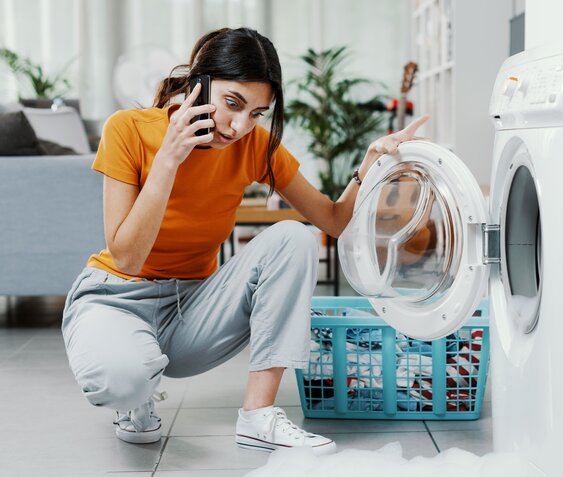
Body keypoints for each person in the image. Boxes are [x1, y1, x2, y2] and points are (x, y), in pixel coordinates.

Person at [61, 26, 428, 455]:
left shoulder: (255, 145)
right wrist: (168, 160)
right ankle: (136, 394)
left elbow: (331, 220)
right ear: (198, 83)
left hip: (191, 310)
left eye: (257, 113)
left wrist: (371, 160)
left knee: (294, 237)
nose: (239, 126)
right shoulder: (128, 129)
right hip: (116, 297)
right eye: (232, 103)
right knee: (125, 381)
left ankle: (258, 416)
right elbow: (126, 256)